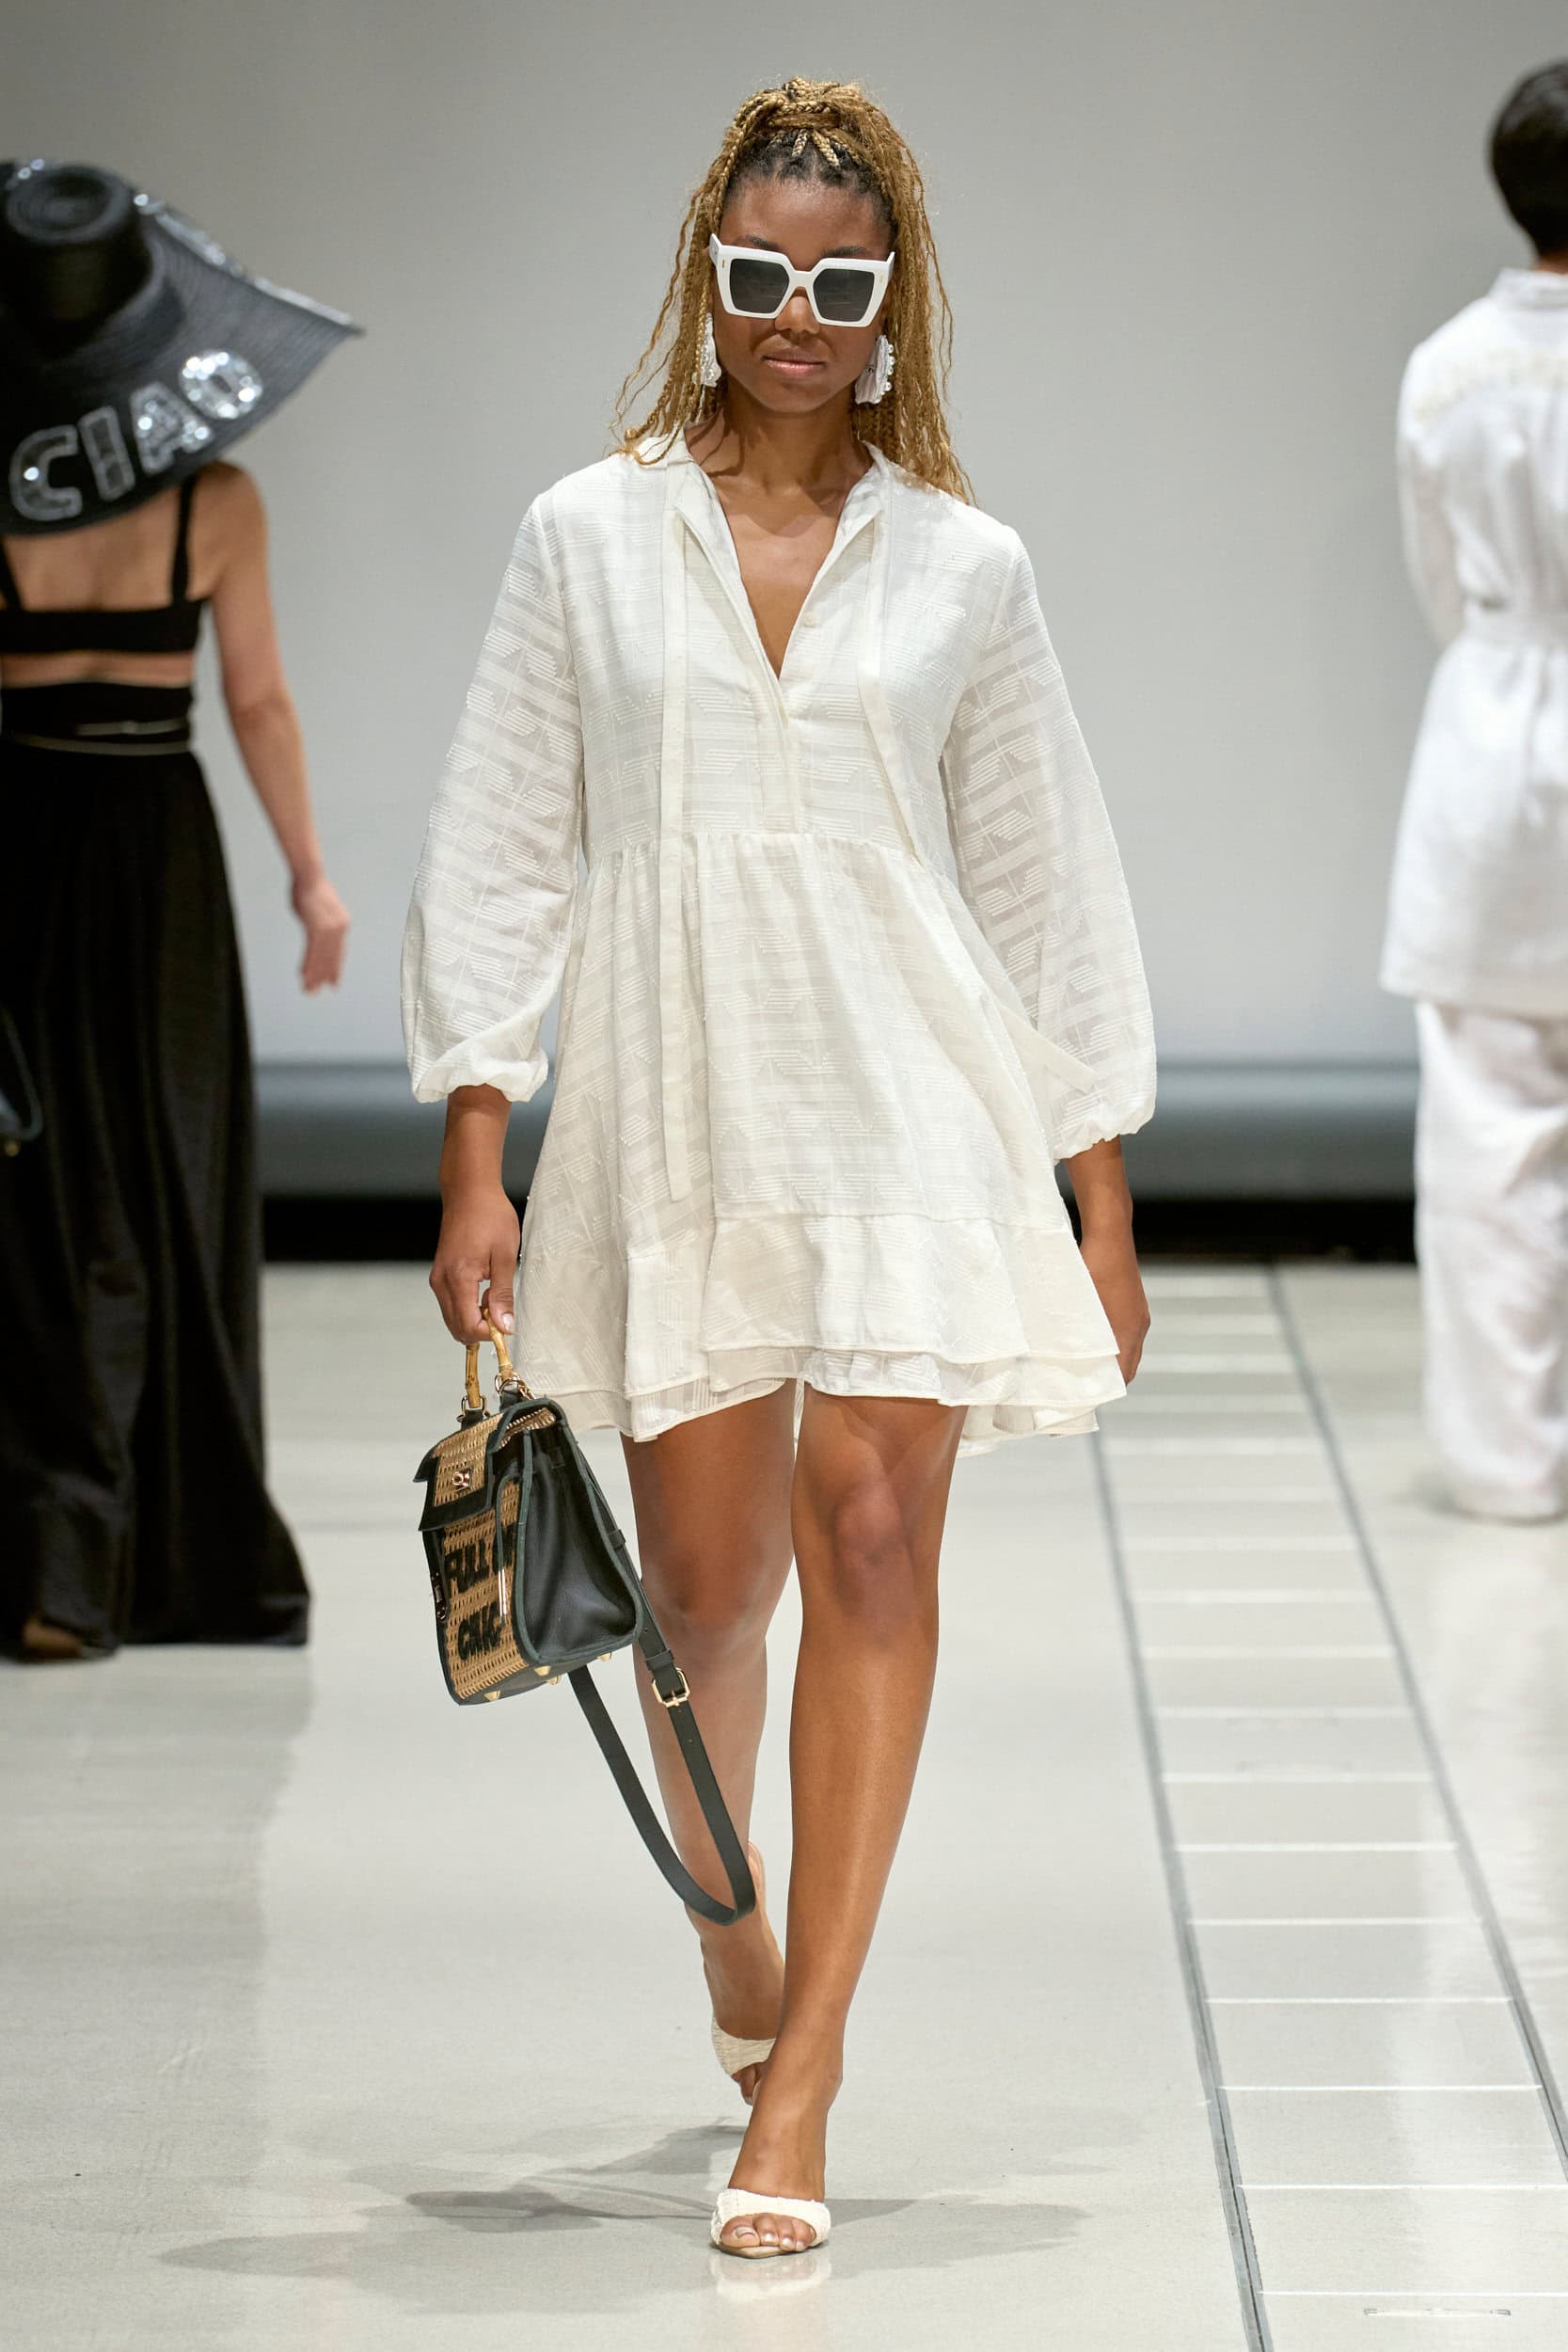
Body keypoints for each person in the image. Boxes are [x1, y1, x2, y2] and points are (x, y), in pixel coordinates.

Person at [403, 78, 1154, 2258]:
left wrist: (1100, 1196)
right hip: (677, 1103)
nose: (795, 316)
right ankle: (738, 1933)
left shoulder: (967, 568)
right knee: (706, 1591)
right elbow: (499, 838)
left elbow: (1043, 877)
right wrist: (478, 1144)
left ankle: (804, 2063)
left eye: (838, 282)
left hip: (911, 1101)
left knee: (878, 1540)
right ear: (704, 279)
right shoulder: (585, 534)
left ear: (894, 299)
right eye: (758, 275)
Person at [0, 162, 358, 1657]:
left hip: (21, 841)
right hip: (157, 846)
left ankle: (57, 1559)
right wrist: (310, 873)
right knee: (165, 1172)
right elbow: (258, 701)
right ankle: (156, 1550)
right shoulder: (216, 501)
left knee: (38, 1196)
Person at [1381, 61, 1568, 1521]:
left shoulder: (1445, 368)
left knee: (1489, 1137)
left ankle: (1511, 1467)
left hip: (1491, 746)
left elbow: (1441, 583)